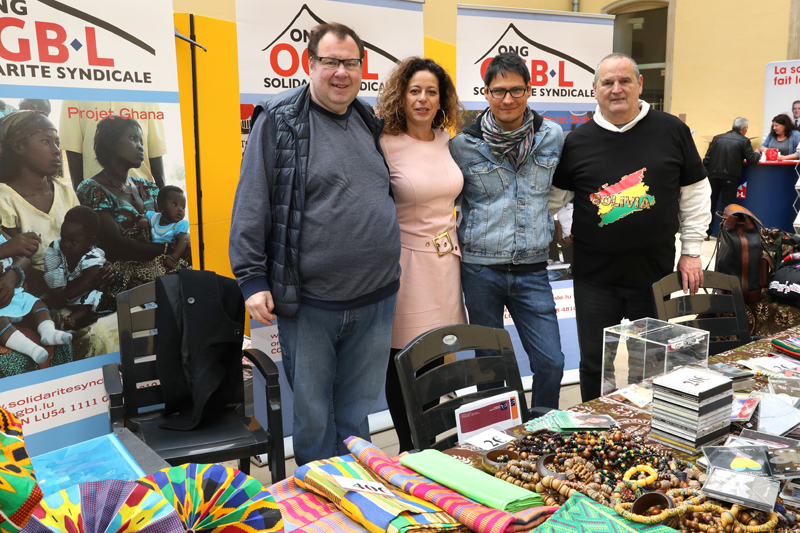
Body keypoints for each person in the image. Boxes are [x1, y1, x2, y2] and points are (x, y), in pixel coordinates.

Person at [229, 23, 401, 466]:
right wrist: (251, 278)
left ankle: (359, 492)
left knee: (356, 413)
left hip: (377, 296)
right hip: (311, 302)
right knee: (313, 417)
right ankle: (319, 495)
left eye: (350, 63)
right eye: (330, 62)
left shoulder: (367, 119)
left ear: (361, 68)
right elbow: (252, 200)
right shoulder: (278, 120)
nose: (341, 72)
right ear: (310, 65)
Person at [551, 53, 711, 402]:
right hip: (594, 279)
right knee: (595, 365)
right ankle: (593, 423)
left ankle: (649, 427)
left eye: (625, 80)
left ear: (639, 84)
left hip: (653, 276)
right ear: (594, 89)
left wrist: (691, 251)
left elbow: (696, 194)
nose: (616, 89)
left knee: (652, 364)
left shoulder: (672, 131)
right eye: (607, 82)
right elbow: (553, 200)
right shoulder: (576, 142)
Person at [449, 52, 565, 409]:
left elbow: (559, 191)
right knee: (489, 368)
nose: (508, 99)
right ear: (486, 93)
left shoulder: (551, 136)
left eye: (516, 90)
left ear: (529, 90)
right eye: (499, 91)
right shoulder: (463, 145)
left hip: (532, 268)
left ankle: (541, 429)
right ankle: (497, 433)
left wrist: (540, 219)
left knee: (551, 362)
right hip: (480, 269)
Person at [375, 56, 467, 452]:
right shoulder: (384, 144)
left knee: (439, 357)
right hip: (408, 266)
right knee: (405, 359)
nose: (423, 99)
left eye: (431, 91)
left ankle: (432, 445)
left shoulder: (448, 140)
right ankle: (408, 447)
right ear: (401, 96)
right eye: (415, 91)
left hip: (448, 264)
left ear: (441, 99)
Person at [0, 111, 116, 363]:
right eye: (46, 141)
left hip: (78, 283)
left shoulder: (65, 191)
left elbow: (87, 239)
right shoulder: (4, 198)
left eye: (57, 143)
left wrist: (99, 265)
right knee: (100, 334)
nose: (56, 151)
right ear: (19, 147)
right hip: (42, 293)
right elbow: (18, 257)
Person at [76, 116, 189, 294]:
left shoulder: (149, 188)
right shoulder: (92, 189)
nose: (140, 146)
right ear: (111, 143)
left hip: (164, 270)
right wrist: (170, 249)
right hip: (120, 279)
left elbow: (170, 227)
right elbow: (118, 244)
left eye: (141, 141)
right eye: (132, 138)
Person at [0, 229, 72, 365]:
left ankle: (48, 331)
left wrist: (14, 276)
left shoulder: (1, 236)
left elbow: (23, 257)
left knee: (37, 304)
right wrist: (4, 250)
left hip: (13, 293)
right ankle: (29, 348)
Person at [60, 101, 167, 189]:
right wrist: (80, 196)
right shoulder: (75, 91)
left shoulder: (145, 91)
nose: (139, 145)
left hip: (142, 192)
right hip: (95, 193)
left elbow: (155, 148)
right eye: (132, 138)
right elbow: (73, 147)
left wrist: (163, 195)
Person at [43, 206, 112, 330]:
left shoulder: (93, 257)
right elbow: (51, 267)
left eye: (73, 242)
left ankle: (74, 318)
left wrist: (64, 297)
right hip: (63, 288)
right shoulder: (56, 246)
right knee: (44, 297)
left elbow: (89, 282)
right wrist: (56, 288)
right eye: (63, 237)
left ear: (90, 242)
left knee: (91, 298)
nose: (66, 244)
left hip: (81, 291)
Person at [703, 117, 761, 239]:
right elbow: (752, 160)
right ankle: (724, 235)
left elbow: (707, 159)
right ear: (743, 128)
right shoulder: (744, 141)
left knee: (710, 204)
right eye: (747, 128)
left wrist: (708, 174)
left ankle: (706, 232)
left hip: (713, 176)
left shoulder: (717, 138)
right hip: (730, 178)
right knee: (728, 208)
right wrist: (757, 153)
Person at [145, 185, 191, 269]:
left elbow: (184, 240)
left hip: (168, 256)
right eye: (175, 204)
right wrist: (143, 220)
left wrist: (173, 257)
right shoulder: (155, 217)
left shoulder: (178, 225)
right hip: (152, 254)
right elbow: (145, 216)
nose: (180, 209)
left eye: (183, 207)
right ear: (162, 207)